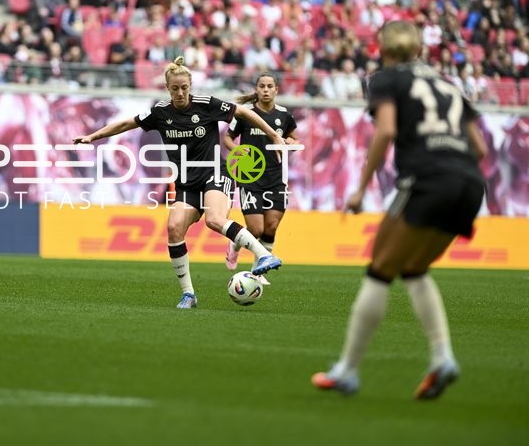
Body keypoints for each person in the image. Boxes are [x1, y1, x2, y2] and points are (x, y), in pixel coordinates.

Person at [311, 21, 487, 399]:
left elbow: (386, 130)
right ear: (419, 50)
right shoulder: (446, 84)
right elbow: (481, 148)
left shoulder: (386, 79)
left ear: (384, 51)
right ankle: (442, 357)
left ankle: (348, 370)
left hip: (427, 180)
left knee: (379, 270)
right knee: (414, 269)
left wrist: (359, 188)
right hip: (470, 184)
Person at [73, 57, 287, 309]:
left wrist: (273, 134)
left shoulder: (206, 105)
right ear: (167, 87)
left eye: (184, 87)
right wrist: (93, 136)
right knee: (174, 228)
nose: (180, 92)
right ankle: (188, 294)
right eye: (175, 88)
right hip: (187, 183)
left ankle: (264, 255)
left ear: (190, 85)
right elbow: (126, 123)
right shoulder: (160, 112)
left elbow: (241, 111)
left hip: (215, 173)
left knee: (214, 220)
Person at [222, 73, 299, 277]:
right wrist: (237, 150)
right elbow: (227, 138)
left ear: (276, 90)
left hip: (276, 178)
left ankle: (258, 273)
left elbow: (294, 139)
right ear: (256, 89)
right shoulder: (245, 114)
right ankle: (234, 245)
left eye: (269, 86)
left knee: (271, 228)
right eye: (262, 86)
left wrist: (291, 142)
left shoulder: (284, 116)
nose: (265, 90)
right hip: (250, 177)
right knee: (255, 230)